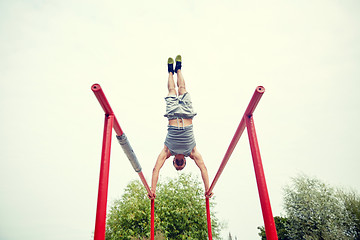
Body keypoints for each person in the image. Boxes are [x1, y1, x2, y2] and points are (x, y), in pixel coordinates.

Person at [148, 55, 213, 200]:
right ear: (184, 161)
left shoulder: (167, 151)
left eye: (177, 165)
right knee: (182, 88)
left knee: (172, 90)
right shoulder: (192, 152)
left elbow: (156, 169)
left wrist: (152, 189)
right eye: (181, 164)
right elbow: (203, 168)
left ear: (173, 161)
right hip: (188, 113)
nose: (179, 163)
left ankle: (170, 71)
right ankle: (179, 69)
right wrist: (207, 189)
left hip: (173, 115)